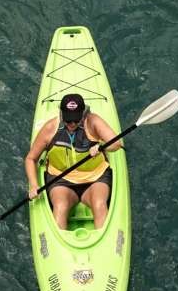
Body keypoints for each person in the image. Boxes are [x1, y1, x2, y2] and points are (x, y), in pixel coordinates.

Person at [24, 93, 123, 230]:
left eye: (76, 120)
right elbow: (31, 159)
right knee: (60, 206)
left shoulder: (93, 122)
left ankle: (107, 246)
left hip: (95, 178)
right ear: (62, 114)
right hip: (61, 180)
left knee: (99, 204)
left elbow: (117, 144)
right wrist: (34, 185)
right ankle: (57, 248)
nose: (72, 124)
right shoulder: (50, 129)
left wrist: (100, 146)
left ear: (83, 114)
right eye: (68, 120)